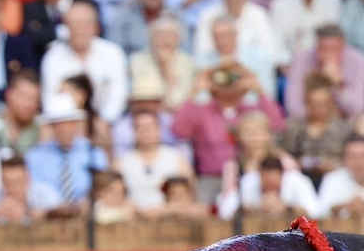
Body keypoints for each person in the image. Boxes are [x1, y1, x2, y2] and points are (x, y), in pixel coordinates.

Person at [171, 60, 281, 200]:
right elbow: (178, 130)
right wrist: (195, 90)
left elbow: (276, 125)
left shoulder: (251, 110)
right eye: (223, 77)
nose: (229, 82)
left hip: (248, 175)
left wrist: (257, 88)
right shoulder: (201, 111)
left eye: (235, 77)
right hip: (211, 178)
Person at [39, 0, 127, 124]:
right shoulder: (52, 58)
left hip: (107, 123)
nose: (78, 30)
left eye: (83, 24)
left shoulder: (112, 53)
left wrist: (104, 120)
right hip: (66, 123)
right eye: (73, 24)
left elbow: (118, 95)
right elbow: (50, 100)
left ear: (95, 27)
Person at [24, 93, 107, 211]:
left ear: (75, 123)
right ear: (51, 126)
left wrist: (89, 201)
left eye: (68, 123)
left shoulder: (93, 153)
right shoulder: (35, 157)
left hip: (86, 214)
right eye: (59, 124)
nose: (64, 129)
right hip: (49, 218)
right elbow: (34, 191)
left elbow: (104, 185)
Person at [278, 74, 353, 180]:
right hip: (299, 178)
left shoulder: (344, 129)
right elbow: (281, 152)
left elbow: (351, 159)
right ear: (306, 103)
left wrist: (334, 167)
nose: (318, 108)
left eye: (323, 104)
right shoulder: (293, 128)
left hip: (335, 179)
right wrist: (295, 163)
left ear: (331, 103)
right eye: (314, 104)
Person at [116, 107, 192, 211]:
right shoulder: (121, 163)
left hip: (170, 219)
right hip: (132, 220)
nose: (146, 132)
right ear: (133, 131)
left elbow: (189, 196)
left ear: (159, 129)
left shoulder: (177, 160)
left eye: (150, 127)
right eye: (141, 127)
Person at [285, 24, 364, 120]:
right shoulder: (301, 59)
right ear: (316, 47)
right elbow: (293, 106)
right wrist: (320, 115)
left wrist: (339, 87)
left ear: (343, 47)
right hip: (308, 122)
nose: (328, 55)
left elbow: (358, 108)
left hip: (345, 122)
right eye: (323, 49)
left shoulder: (357, 60)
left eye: (333, 50)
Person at [217, 153, 320, 219]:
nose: (270, 186)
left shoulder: (299, 181)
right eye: (267, 182)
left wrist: (287, 208)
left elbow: (315, 212)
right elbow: (226, 211)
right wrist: (256, 209)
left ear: (282, 175)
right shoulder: (248, 181)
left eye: (273, 183)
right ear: (260, 175)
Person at [127, 16, 195, 110]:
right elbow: (140, 96)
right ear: (151, 38)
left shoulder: (188, 63)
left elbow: (180, 102)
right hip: (145, 113)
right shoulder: (137, 60)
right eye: (160, 34)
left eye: (170, 35)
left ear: (178, 39)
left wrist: (166, 67)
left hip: (176, 115)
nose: (164, 39)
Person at [0, 154, 61, 223]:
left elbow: (61, 214)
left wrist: (27, 214)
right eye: (8, 183)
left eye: (18, 182)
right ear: (1, 181)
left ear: (28, 179)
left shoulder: (45, 193)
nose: (13, 187)